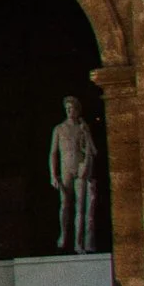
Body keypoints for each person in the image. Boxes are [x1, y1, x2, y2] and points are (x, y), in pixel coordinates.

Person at [49, 93, 100, 255]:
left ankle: (79, 242)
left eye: (72, 108)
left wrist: (86, 133)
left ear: (77, 110)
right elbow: (53, 153)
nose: (69, 111)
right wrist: (53, 174)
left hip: (79, 168)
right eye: (67, 108)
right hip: (66, 169)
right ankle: (64, 234)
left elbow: (91, 150)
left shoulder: (82, 128)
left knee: (80, 207)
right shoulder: (59, 129)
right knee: (65, 204)